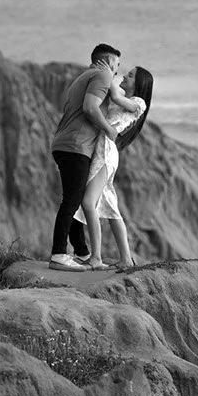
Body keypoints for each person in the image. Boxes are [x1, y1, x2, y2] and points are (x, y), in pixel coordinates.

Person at [49, 43, 122, 271]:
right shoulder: (103, 74)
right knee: (71, 200)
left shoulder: (84, 77)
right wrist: (110, 130)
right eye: (117, 65)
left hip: (64, 143)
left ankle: (81, 251)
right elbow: (91, 108)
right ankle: (59, 254)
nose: (117, 72)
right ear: (108, 61)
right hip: (76, 146)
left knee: (74, 197)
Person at [74, 66, 153, 269]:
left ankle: (96, 257)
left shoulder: (138, 103)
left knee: (88, 202)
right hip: (102, 150)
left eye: (131, 75)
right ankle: (126, 258)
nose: (125, 75)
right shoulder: (122, 99)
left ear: (140, 83)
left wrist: (106, 73)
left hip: (106, 154)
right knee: (111, 207)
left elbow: (117, 98)